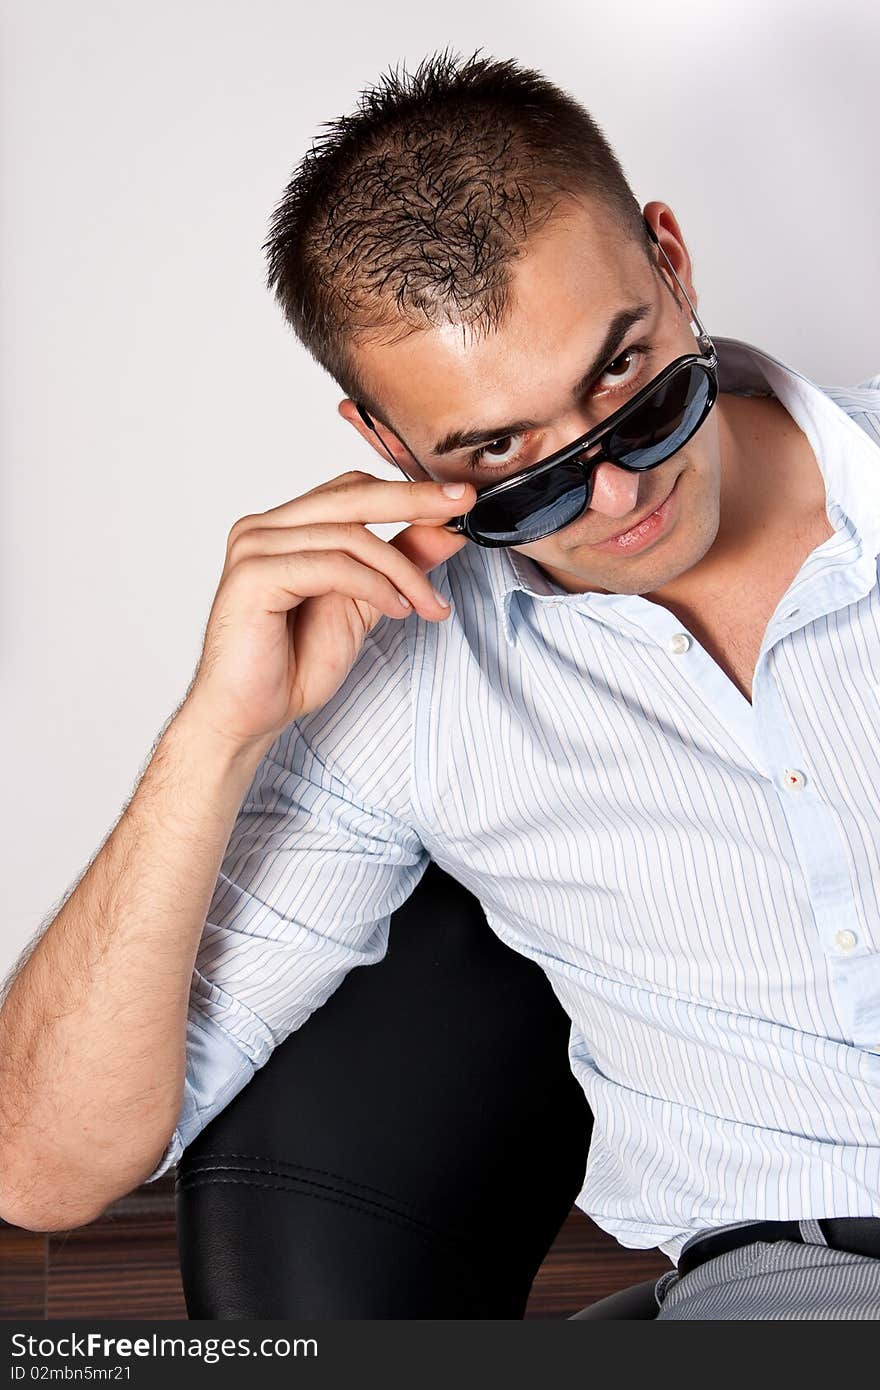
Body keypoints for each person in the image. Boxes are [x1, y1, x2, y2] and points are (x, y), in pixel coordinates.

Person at [1, 50, 879, 1319]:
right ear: (386, 446)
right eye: (506, 458)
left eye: (629, 384)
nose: (618, 493)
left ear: (672, 265)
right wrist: (213, 734)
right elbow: (42, 1169)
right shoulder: (401, 684)